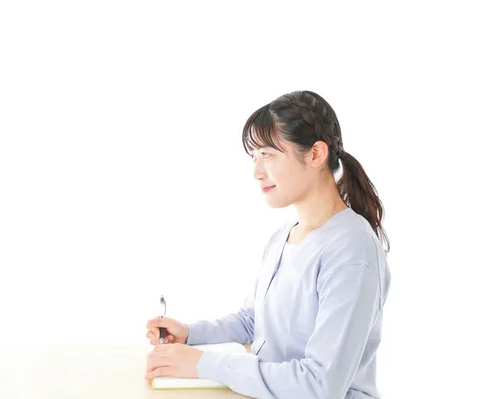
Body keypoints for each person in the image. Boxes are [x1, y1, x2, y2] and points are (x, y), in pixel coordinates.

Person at [145, 90, 391, 399]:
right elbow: (254, 320)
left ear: (315, 154)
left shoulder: (352, 250)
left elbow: (321, 384)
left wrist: (206, 364)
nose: (257, 172)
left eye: (268, 155)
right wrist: (191, 333)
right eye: (254, 157)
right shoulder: (284, 237)